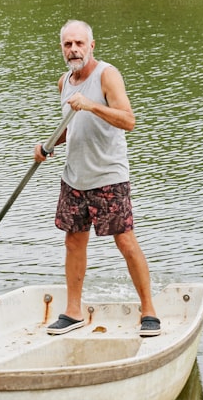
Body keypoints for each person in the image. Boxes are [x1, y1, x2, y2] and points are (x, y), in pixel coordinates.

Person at [35, 19, 160, 337]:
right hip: (74, 177)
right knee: (73, 242)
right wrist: (47, 146)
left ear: (91, 46)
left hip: (109, 176)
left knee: (125, 241)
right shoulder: (64, 82)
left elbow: (128, 120)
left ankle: (149, 311)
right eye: (68, 44)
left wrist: (91, 105)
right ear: (62, 48)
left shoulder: (107, 74)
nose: (73, 49)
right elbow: (70, 127)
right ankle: (73, 312)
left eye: (79, 43)